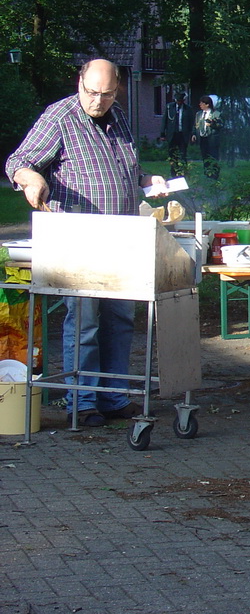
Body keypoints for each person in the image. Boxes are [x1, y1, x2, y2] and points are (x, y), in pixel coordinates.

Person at [5, 58, 168, 427]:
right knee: (86, 321)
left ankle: (114, 397)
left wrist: (147, 179)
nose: (97, 101)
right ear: (79, 82)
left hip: (122, 238)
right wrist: (30, 179)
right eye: (91, 92)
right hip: (79, 240)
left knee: (120, 319)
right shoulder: (59, 117)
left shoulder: (119, 116)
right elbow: (20, 160)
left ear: (117, 91)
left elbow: (123, 170)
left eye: (106, 94)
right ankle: (84, 401)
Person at [160, 92, 195, 176]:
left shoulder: (188, 109)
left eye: (181, 101)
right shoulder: (169, 107)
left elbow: (191, 123)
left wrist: (192, 134)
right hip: (172, 134)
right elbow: (164, 120)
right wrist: (162, 134)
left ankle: (183, 172)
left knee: (183, 154)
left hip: (183, 135)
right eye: (178, 100)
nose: (179, 102)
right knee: (172, 154)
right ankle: (173, 172)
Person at [192, 96, 221, 179]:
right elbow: (195, 125)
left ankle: (214, 175)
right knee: (205, 157)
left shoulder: (216, 113)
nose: (200, 105)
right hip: (202, 138)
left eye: (202, 103)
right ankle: (207, 174)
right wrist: (194, 134)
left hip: (212, 139)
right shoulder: (199, 114)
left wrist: (212, 124)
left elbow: (221, 125)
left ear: (207, 104)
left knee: (213, 157)